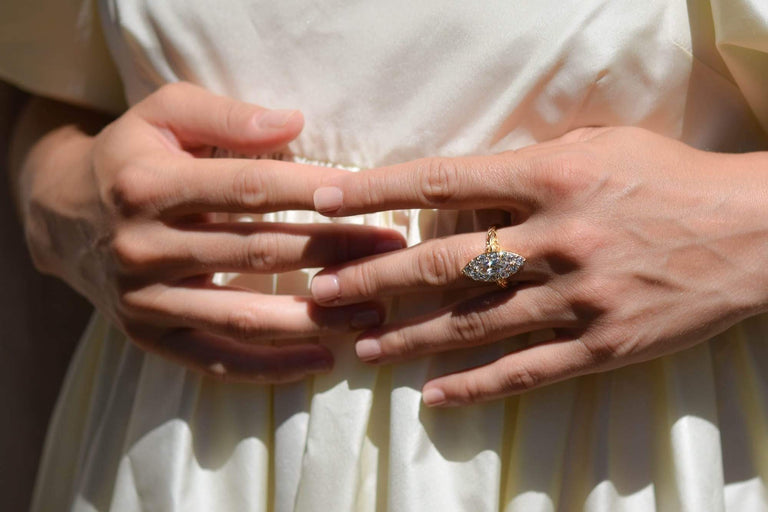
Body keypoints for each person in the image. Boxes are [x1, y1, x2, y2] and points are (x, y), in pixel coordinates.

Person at [2, 0, 768, 510]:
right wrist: (56, 197)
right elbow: (66, 85)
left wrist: (745, 226)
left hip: (620, 433)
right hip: (184, 449)